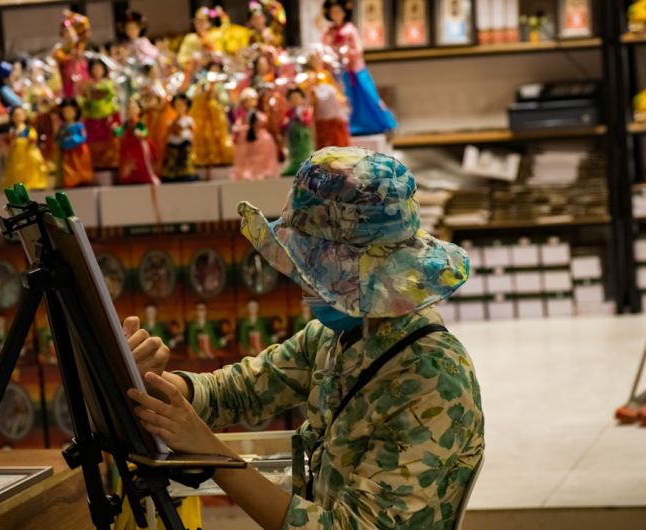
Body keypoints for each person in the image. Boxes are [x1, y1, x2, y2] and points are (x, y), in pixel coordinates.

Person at [125, 146, 484, 529]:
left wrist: (214, 454)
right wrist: (155, 385)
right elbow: (240, 390)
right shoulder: (339, 337)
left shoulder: (431, 378)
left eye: (317, 274)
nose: (305, 287)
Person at [321, 0, 396, 136]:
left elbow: (358, 49)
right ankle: (346, 126)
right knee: (341, 100)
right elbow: (323, 49)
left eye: (339, 11)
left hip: (352, 71)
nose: (336, 14)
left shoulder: (350, 29)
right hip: (336, 72)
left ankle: (372, 124)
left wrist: (346, 54)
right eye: (333, 12)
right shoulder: (328, 32)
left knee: (365, 96)